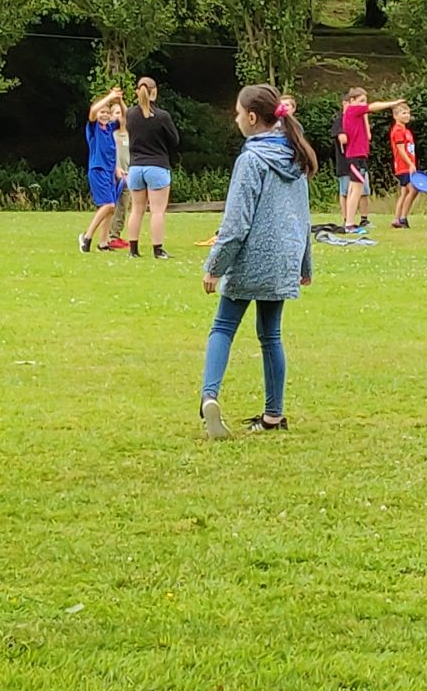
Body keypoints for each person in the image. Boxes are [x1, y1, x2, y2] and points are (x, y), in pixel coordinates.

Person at [201, 84, 317, 438]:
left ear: (252, 118)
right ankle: (273, 416)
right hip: (283, 260)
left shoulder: (250, 160)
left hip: (251, 258)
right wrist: (304, 265)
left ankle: (209, 398)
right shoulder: (296, 156)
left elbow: (236, 224)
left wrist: (215, 266)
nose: (236, 119)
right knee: (271, 335)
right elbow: (303, 217)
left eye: (238, 114)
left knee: (223, 327)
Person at [118, 76, 180, 260]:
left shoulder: (130, 114)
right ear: (155, 92)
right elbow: (174, 140)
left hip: (136, 167)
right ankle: (157, 249)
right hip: (157, 166)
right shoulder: (162, 116)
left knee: (136, 209)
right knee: (157, 210)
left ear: (137, 92)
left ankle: (133, 250)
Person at [335, 87, 406, 233]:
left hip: (359, 155)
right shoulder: (352, 110)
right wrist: (392, 103)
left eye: (365, 101)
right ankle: (349, 223)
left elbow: (367, 134)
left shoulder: (358, 114)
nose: (364, 104)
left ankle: (349, 223)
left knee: (355, 189)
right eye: (361, 101)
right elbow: (374, 106)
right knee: (356, 189)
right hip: (354, 156)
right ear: (352, 101)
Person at [79, 87, 125, 252]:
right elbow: (92, 112)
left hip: (109, 172)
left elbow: (125, 118)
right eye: (102, 112)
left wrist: (119, 100)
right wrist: (109, 97)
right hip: (98, 170)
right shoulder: (94, 127)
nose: (104, 115)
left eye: (107, 112)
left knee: (111, 209)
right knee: (108, 205)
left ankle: (103, 243)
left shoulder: (110, 128)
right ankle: (87, 237)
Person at [388, 103, 423, 228]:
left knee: (404, 193)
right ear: (395, 116)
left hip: (408, 166)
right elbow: (401, 150)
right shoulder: (398, 130)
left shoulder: (406, 131)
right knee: (413, 190)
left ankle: (396, 219)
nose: (407, 115)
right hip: (403, 167)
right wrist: (410, 164)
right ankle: (403, 218)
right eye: (403, 113)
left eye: (408, 113)